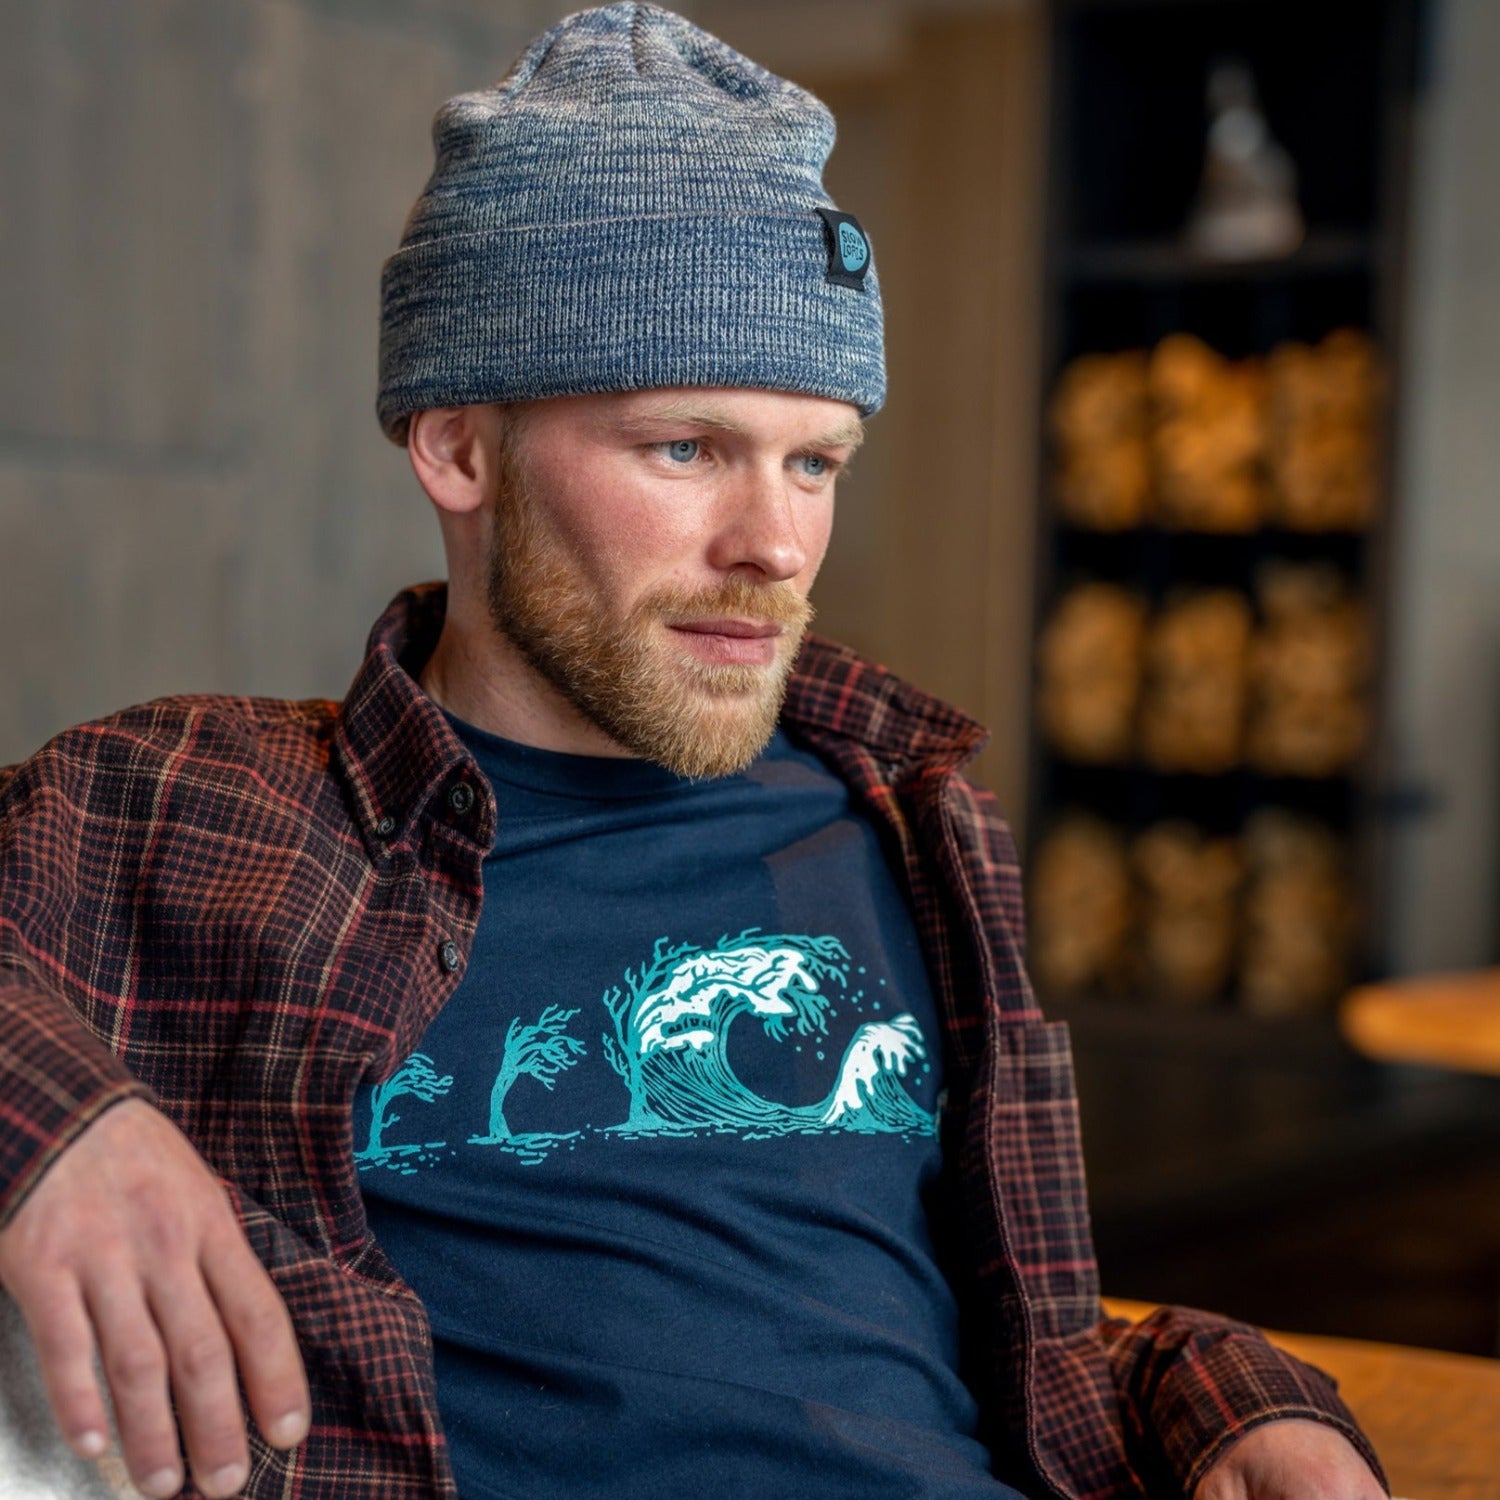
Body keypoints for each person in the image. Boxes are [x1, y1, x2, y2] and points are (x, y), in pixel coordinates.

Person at [0, 6, 1388, 1499]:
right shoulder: (192, 809)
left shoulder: (907, 825)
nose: (775, 545)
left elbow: (943, 1335)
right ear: (460, 446)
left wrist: (1231, 1400)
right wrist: (50, 1128)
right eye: (687, 448)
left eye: (815, 461)